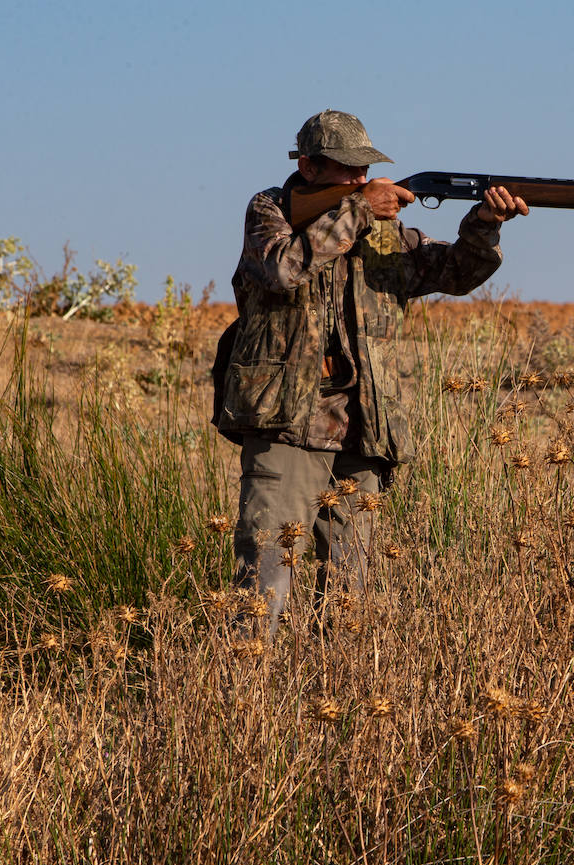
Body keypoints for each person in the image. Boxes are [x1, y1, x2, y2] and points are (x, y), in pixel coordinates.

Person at [214, 109, 528, 639]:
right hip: (286, 422)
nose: (362, 180)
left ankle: (335, 699)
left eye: (366, 170)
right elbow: (280, 270)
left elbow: (453, 273)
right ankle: (242, 699)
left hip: (365, 427)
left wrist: (483, 226)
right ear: (309, 168)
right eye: (348, 170)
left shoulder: (385, 231)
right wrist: (358, 211)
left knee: (350, 593)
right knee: (265, 574)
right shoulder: (269, 210)